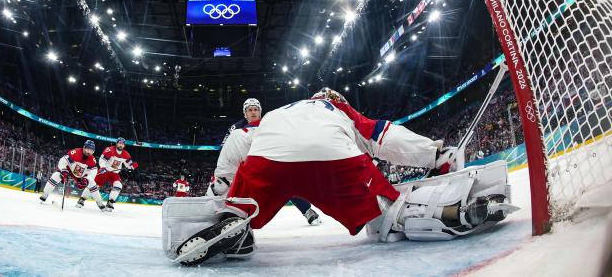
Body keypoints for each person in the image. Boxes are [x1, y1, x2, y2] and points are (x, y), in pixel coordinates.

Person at [166, 88, 516, 265]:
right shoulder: (337, 108)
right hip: (332, 161)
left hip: (269, 160)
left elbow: (238, 144)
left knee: (244, 195)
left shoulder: (274, 114)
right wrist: (436, 156)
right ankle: (430, 214)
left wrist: (220, 191)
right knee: (383, 214)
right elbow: (384, 137)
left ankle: (235, 224)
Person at [209, 98, 322, 226]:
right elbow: (225, 150)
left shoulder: (269, 124)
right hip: (247, 165)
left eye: (256, 109)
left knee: (288, 182)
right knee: (226, 185)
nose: (253, 112)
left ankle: (307, 211)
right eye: (250, 110)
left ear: (260, 112)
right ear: (244, 114)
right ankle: (218, 209)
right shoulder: (235, 129)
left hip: (267, 163)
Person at [39, 140, 106, 210]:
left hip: (80, 176)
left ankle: (98, 202)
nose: (89, 152)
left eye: (91, 150)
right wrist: (63, 170)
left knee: (92, 183)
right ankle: (45, 194)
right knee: (56, 175)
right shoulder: (75, 152)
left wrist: (87, 179)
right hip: (69, 171)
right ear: (84, 147)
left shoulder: (92, 159)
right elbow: (63, 160)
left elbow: (93, 172)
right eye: (88, 149)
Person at [77, 137, 138, 211]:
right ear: (117, 143)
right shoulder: (109, 150)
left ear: (124, 145)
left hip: (114, 173)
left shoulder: (126, 154)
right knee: (93, 185)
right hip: (105, 171)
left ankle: (110, 203)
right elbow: (102, 160)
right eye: (119, 143)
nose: (120, 145)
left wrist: (132, 166)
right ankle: (82, 199)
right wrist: (103, 167)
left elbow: (129, 165)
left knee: (118, 185)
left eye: (122, 144)